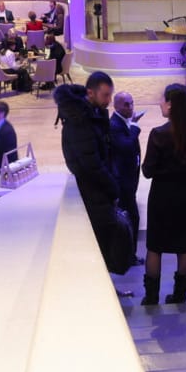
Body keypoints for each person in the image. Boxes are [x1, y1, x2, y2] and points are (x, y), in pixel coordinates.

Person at [142, 84, 186, 306]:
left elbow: (148, 171)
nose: (160, 103)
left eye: (162, 100)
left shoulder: (158, 134)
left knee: (155, 246)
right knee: (184, 246)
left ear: (170, 104)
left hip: (162, 196)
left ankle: (151, 297)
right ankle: (180, 296)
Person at [54, 71, 127, 265]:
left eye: (110, 95)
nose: (109, 101)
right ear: (90, 93)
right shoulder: (79, 121)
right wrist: (113, 188)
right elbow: (91, 164)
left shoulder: (94, 113)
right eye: (105, 95)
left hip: (98, 189)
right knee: (100, 244)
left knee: (106, 243)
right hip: (92, 191)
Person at [108, 91, 143, 259]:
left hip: (129, 180)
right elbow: (127, 147)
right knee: (132, 219)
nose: (130, 107)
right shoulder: (114, 125)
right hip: (122, 182)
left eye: (132, 103)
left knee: (130, 219)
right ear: (116, 106)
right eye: (126, 104)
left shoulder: (123, 122)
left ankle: (129, 255)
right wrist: (135, 127)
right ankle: (129, 256)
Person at [0, 100, 18, 172]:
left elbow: (11, 154)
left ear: (2, 113)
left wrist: (5, 173)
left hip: (2, 172)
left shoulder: (7, 131)